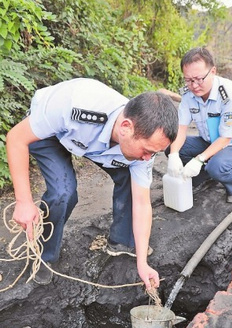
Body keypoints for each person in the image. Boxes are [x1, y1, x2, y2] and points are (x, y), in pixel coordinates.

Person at [6, 78, 178, 288]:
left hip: (98, 145)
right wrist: (23, 201)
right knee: (63, 192)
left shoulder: (140, 144)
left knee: (132, 178)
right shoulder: (72, 105)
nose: (148, 158)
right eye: (148, 151)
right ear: (126, 127)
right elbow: (16, 138)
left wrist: (143, 262)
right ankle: (44, 256)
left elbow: (142, 204)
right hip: (53, 133)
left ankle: (121, 241)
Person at [167, 47, 232, 202]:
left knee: (216, 166)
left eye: (199, 79)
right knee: (171, 146)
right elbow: (181, 128)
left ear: (213, 71)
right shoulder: (189, 94)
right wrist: (174, 154)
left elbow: (226, 138)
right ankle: (205, 175)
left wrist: (198, 159)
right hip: (209, 140)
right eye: (188, 80)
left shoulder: (230, 94)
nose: (194, 85)